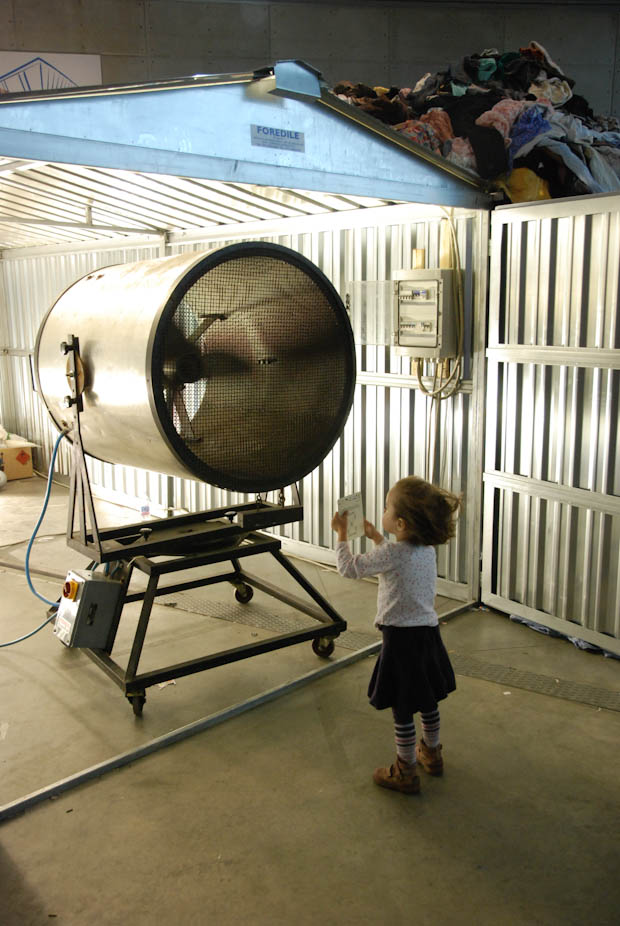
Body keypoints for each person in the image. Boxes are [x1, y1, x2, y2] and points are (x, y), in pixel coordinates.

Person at [331, 476, 461, 795]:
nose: (383, 511)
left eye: (387, 507)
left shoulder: (392, 554)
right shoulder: (426, 549)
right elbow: (396, 561)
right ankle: (432, 753)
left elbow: (349, 568)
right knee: (427, 699)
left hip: (400, 642)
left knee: (402, 707)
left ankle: (405, 770)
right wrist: (376, 536)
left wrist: (342, 534)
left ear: (400, 523)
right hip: (428, 635)